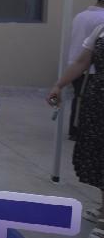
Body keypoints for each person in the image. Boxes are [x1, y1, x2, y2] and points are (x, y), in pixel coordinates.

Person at [47, 23, 104, 234]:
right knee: (98, 155)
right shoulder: (101, 29)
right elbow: (82, 62)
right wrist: (59, 84)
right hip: (97, 100)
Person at [66, 0, 104, 140]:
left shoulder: (80, 16)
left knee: (78, 97)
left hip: (74, 64)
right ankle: (81, 130)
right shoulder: (101, 19)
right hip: (92, 68)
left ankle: (74, 129)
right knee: (89, 102)